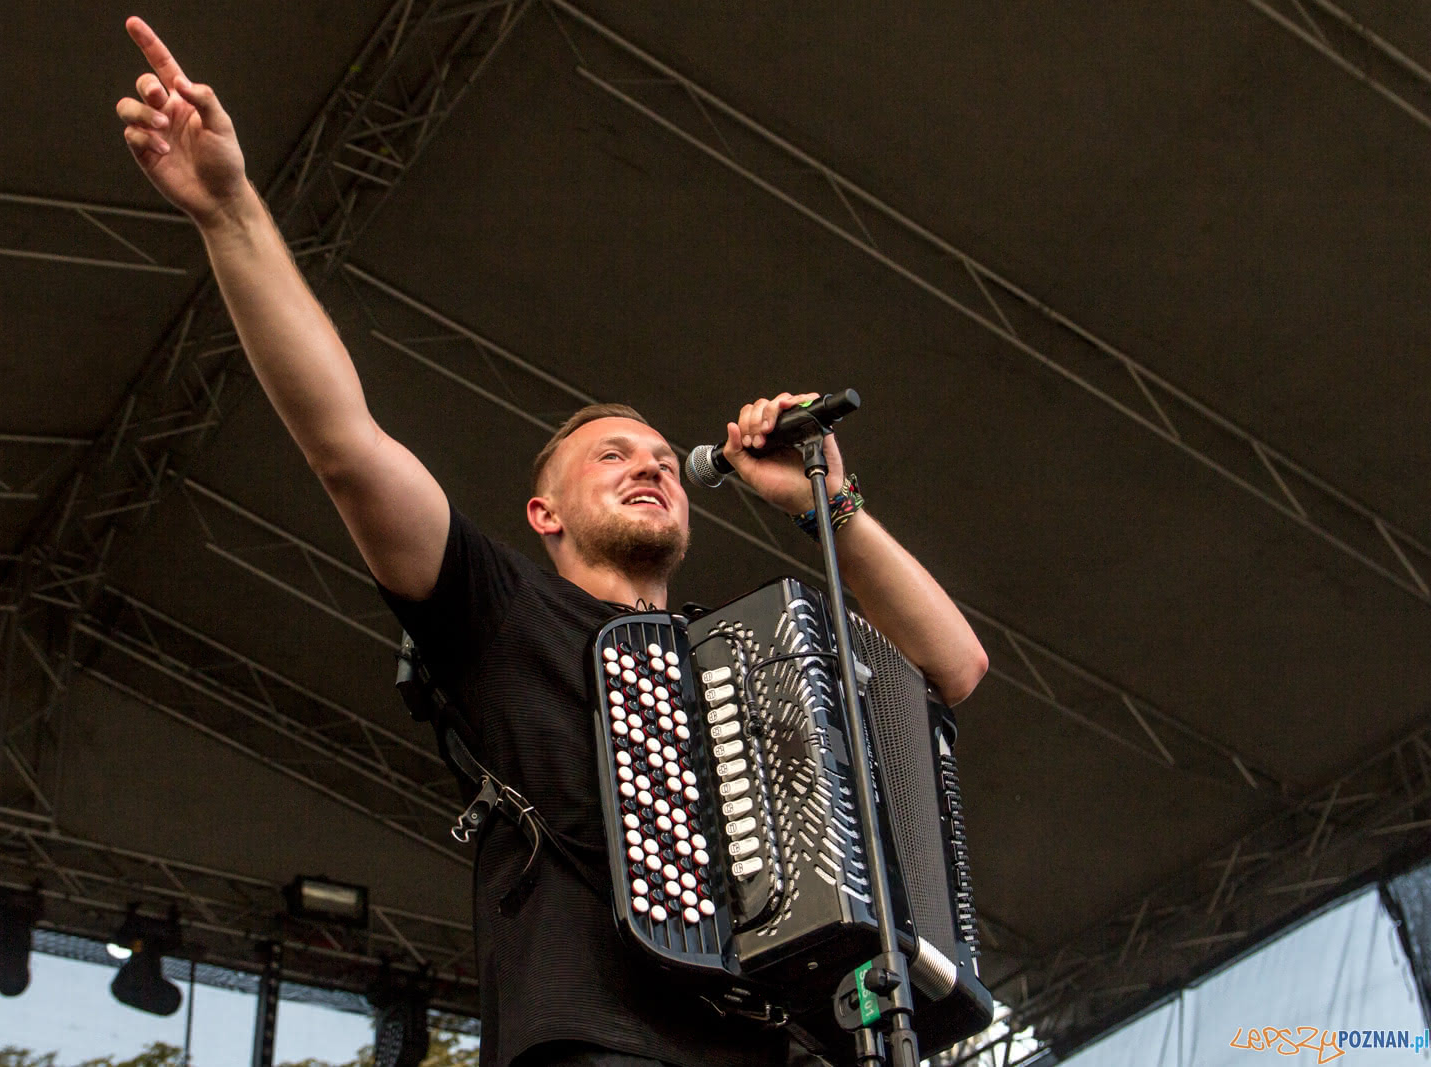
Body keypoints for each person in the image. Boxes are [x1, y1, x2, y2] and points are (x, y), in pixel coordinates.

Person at [115, 17, 989, 1067]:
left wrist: (826, 503)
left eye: (662, 458)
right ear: (545, 514)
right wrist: (229, 211)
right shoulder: (496, 607)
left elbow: (952, 665)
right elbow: (344, 443)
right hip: (591, 1043)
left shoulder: (753, 660)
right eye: (611, 455)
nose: (650, 466)